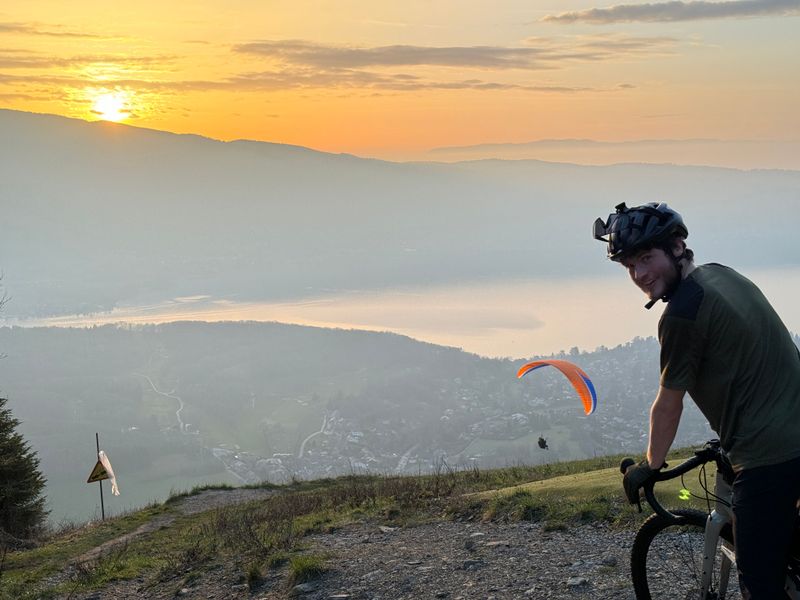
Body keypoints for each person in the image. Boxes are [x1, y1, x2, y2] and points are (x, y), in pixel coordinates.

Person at [593, 202, 800, 599]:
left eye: (646, 258)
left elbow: (669, 404)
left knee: (759, 578)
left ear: (676, 246)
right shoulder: (722, 275)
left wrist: (649, 467)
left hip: (769, 455)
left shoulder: (682, 314)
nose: (640, 274)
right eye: (630, 266)